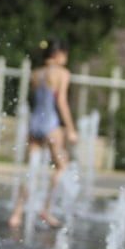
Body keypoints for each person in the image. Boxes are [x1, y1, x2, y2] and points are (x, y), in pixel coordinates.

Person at [8, 38, 77, 229]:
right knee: (62, 166)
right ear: (57, 55)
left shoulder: (36, 73)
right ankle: (46, 208)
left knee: (32, 170)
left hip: (35, 123)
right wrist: (70, 129)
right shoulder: (62, 73)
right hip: (51, 124)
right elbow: (61, 102)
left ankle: (17, 213)